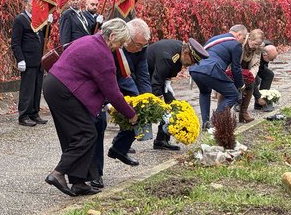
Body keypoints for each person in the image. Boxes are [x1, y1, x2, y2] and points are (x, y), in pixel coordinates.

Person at [43, 18, 139, 197]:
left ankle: (79, 182)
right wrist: (131, 115)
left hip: (54, 85)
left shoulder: (90, 39)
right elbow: (113, 92)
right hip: (64, 90)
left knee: (75, 134)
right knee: (86, 134)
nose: (119, 47)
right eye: (119, 43)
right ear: (111, 36)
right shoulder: (102, 54)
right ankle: (58, 173)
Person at [127, 37, 208, 158]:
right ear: (186, 53)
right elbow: (156, 82)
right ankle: (123, 143)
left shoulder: (180, 50)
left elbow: (166, 73)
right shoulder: (168, 57)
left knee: (172, 107)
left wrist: (168, 82)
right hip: (140, 76)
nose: (192, 65)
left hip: (156, 76)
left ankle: (161, 140)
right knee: (142, 109)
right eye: (192, 61)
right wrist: (158, 104)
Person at [93, 18, 151, 184]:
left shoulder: (141, 46)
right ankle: (96, 173)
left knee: (140, 112)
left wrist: (146, 99)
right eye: (138, 45)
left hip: (125, 81)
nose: (140, 49)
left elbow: (143, 73)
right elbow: (106, 78)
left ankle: (119, 148)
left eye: (143, 46)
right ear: (127, 39)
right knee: (98, 125)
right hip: (105, 83)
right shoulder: (112, 44)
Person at [189, 25, 247, 127]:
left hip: (195, 69)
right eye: (243, 38)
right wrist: (240, 85)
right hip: (211, 70)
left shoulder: (215, 38)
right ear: (239, 34)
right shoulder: (236, 45)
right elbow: (236, 68)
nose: (243, 41)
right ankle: (214, 121)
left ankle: (205, 122)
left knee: (204, 92)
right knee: (233, 94)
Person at [11, 0, 49, 127]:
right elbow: (15, 42)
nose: (35, 6)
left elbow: (44, 37)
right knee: (27, 89)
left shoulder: (37, 19)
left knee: (37, 88)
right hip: (27, 60)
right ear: (26, 4)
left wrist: (48, 23)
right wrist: (20, 59)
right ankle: (24, 115)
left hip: (38, 60)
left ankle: (34, 112)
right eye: (32, 4)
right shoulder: (20, 20)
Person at [237, 29, 266, 122]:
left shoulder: (258, 48)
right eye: (255, 44)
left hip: (247, 70)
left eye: (258, 44)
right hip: (235, 69)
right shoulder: (240, 44)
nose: (256, 46)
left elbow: (255, 64)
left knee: (251, 83)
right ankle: (223, 115)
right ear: (249, 39)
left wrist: (251, 76)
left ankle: (243, 113)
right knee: (233, 92)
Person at [254, 42, 279, 110]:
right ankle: (239, 103)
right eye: (271, 59)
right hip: (248, 66)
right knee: (255, 81)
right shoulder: (255, 50)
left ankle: (262, 100)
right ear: (264, 55)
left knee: (269, 74)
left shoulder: (269, 46)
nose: (272, 61)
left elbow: (265, 63)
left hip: (260, 64)